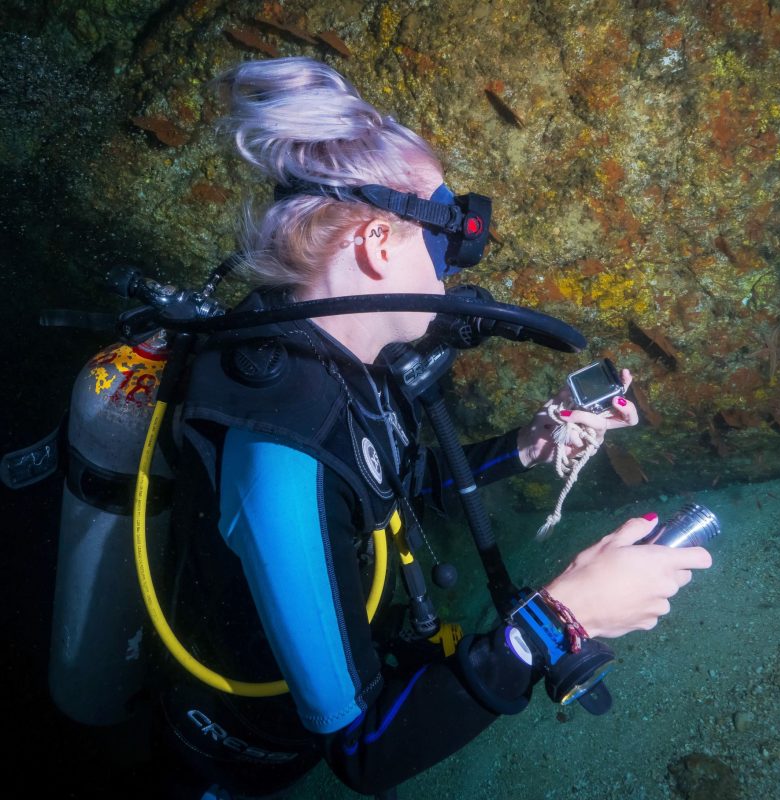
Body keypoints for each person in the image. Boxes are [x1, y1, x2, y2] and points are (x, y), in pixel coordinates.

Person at [156, 56, 712, 799]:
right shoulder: (280, 456)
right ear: (379, 244)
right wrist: (563, 616)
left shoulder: (338, 354)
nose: (451, 274)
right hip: (238, 750)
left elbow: (397, 481)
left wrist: (530, 444)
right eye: (446, 244)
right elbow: (364, 751)